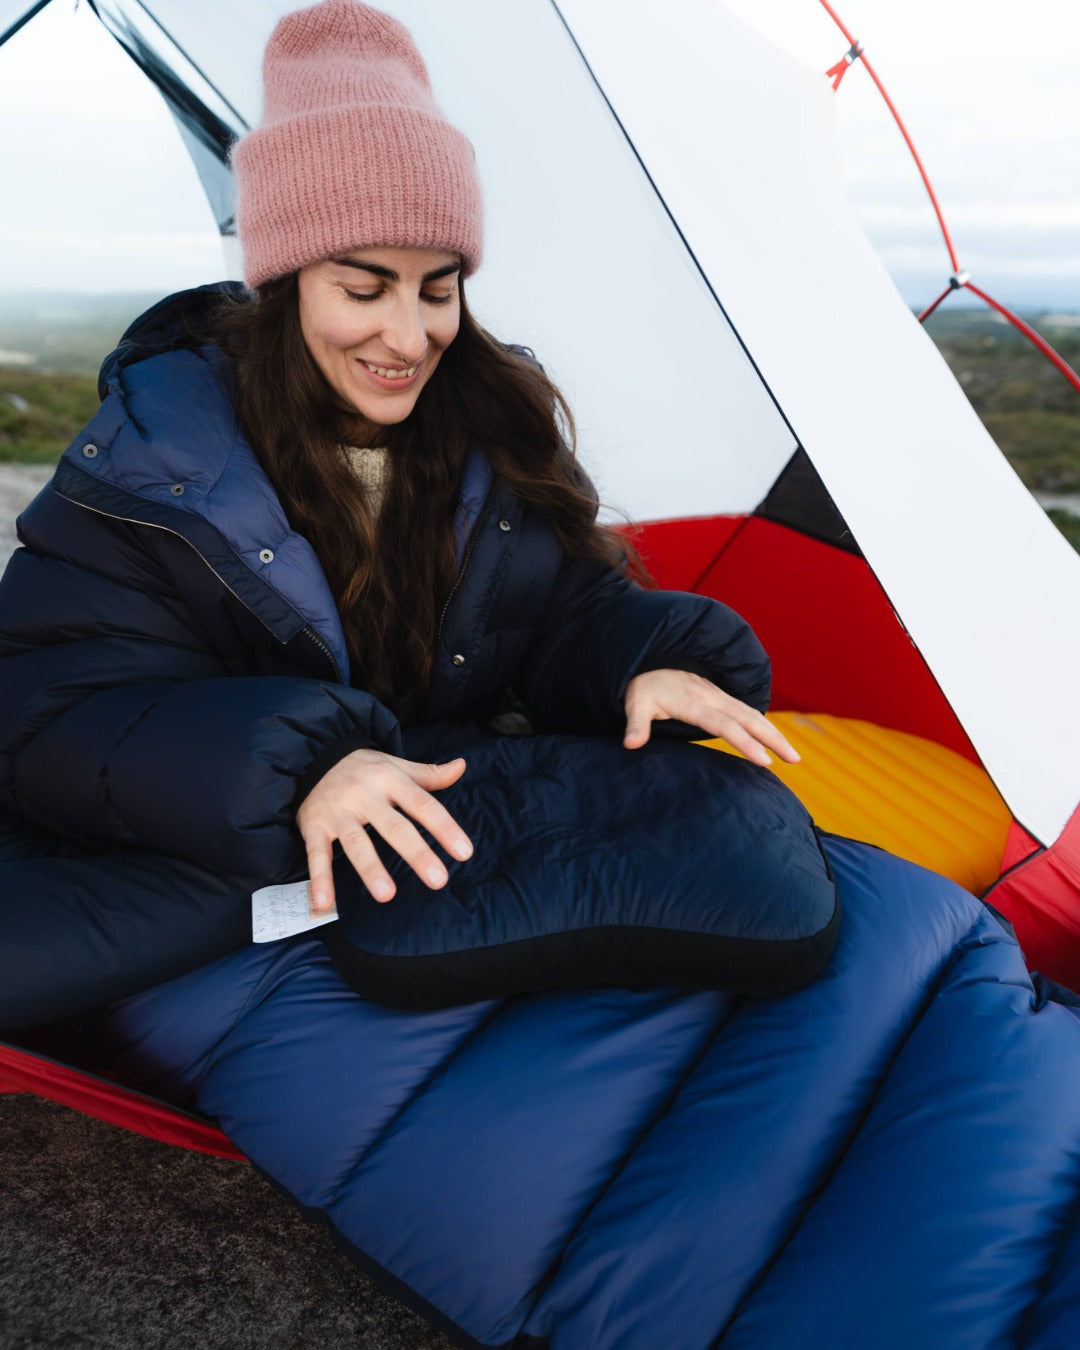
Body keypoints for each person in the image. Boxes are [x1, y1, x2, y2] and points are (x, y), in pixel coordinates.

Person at [0, 0, 797, 1027]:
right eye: (364, 287)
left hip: (440, 857)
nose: (410, 335)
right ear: (286, 284)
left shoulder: (492, 433)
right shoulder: (157, 472)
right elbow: (46, 716)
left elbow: (556, 616)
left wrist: (641, 656)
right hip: (258, 871)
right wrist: (297, 769)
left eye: (438, 288)